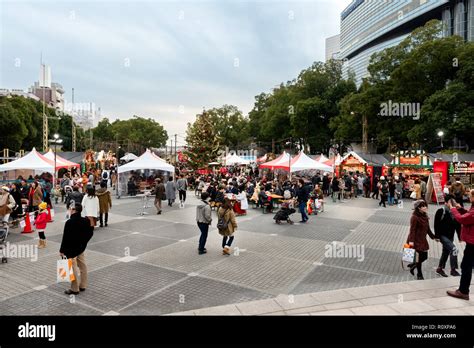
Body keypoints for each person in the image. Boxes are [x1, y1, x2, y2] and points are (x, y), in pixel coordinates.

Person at [60, 203, 94, 295]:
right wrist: (84, 242)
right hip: (81, 248)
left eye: (71, 209)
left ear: (74, 210)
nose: (70, 210)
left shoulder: (69, 222)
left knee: (72, 267)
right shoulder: (85, 221)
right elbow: (90, 232)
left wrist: (62, 250)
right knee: (83, 266)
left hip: (70, 250)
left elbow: (65, 238)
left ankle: (75, 289)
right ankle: (83, 285)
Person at [447, 190, 474, 300]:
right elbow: (469, 216)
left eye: (470, 195)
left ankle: (463, 291)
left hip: (472, 243)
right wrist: (461, 209)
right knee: (467, 265)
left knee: (466, 266)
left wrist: (453, 209)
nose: (468, 197)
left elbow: (462, 219)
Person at [406, 200, 437, 280]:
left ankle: (413, 266)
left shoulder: (425, 216)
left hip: (422, 239)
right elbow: (412, 230)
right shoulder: (414, 217)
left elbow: (428, 229)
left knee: (424, 257)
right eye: (423, 206)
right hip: (415, 240)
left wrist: (434, 237)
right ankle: (419, 274)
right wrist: (411, 242)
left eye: (425, 206)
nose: (425, 207)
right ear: (418, 208)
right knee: (418, 258)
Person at [434, 195, 461, 277]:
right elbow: (436, 225)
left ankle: (439, 269)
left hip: (450, 236)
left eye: (454, 201)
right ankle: (453, 270)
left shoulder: (455, 211)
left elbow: (457, 225)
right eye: (451, 201)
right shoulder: (441, 211)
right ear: (446, 202)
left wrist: (459, 237)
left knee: (445, 252)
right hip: (442, 235)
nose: (453, 203)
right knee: (454, 249)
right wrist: (437, 236)